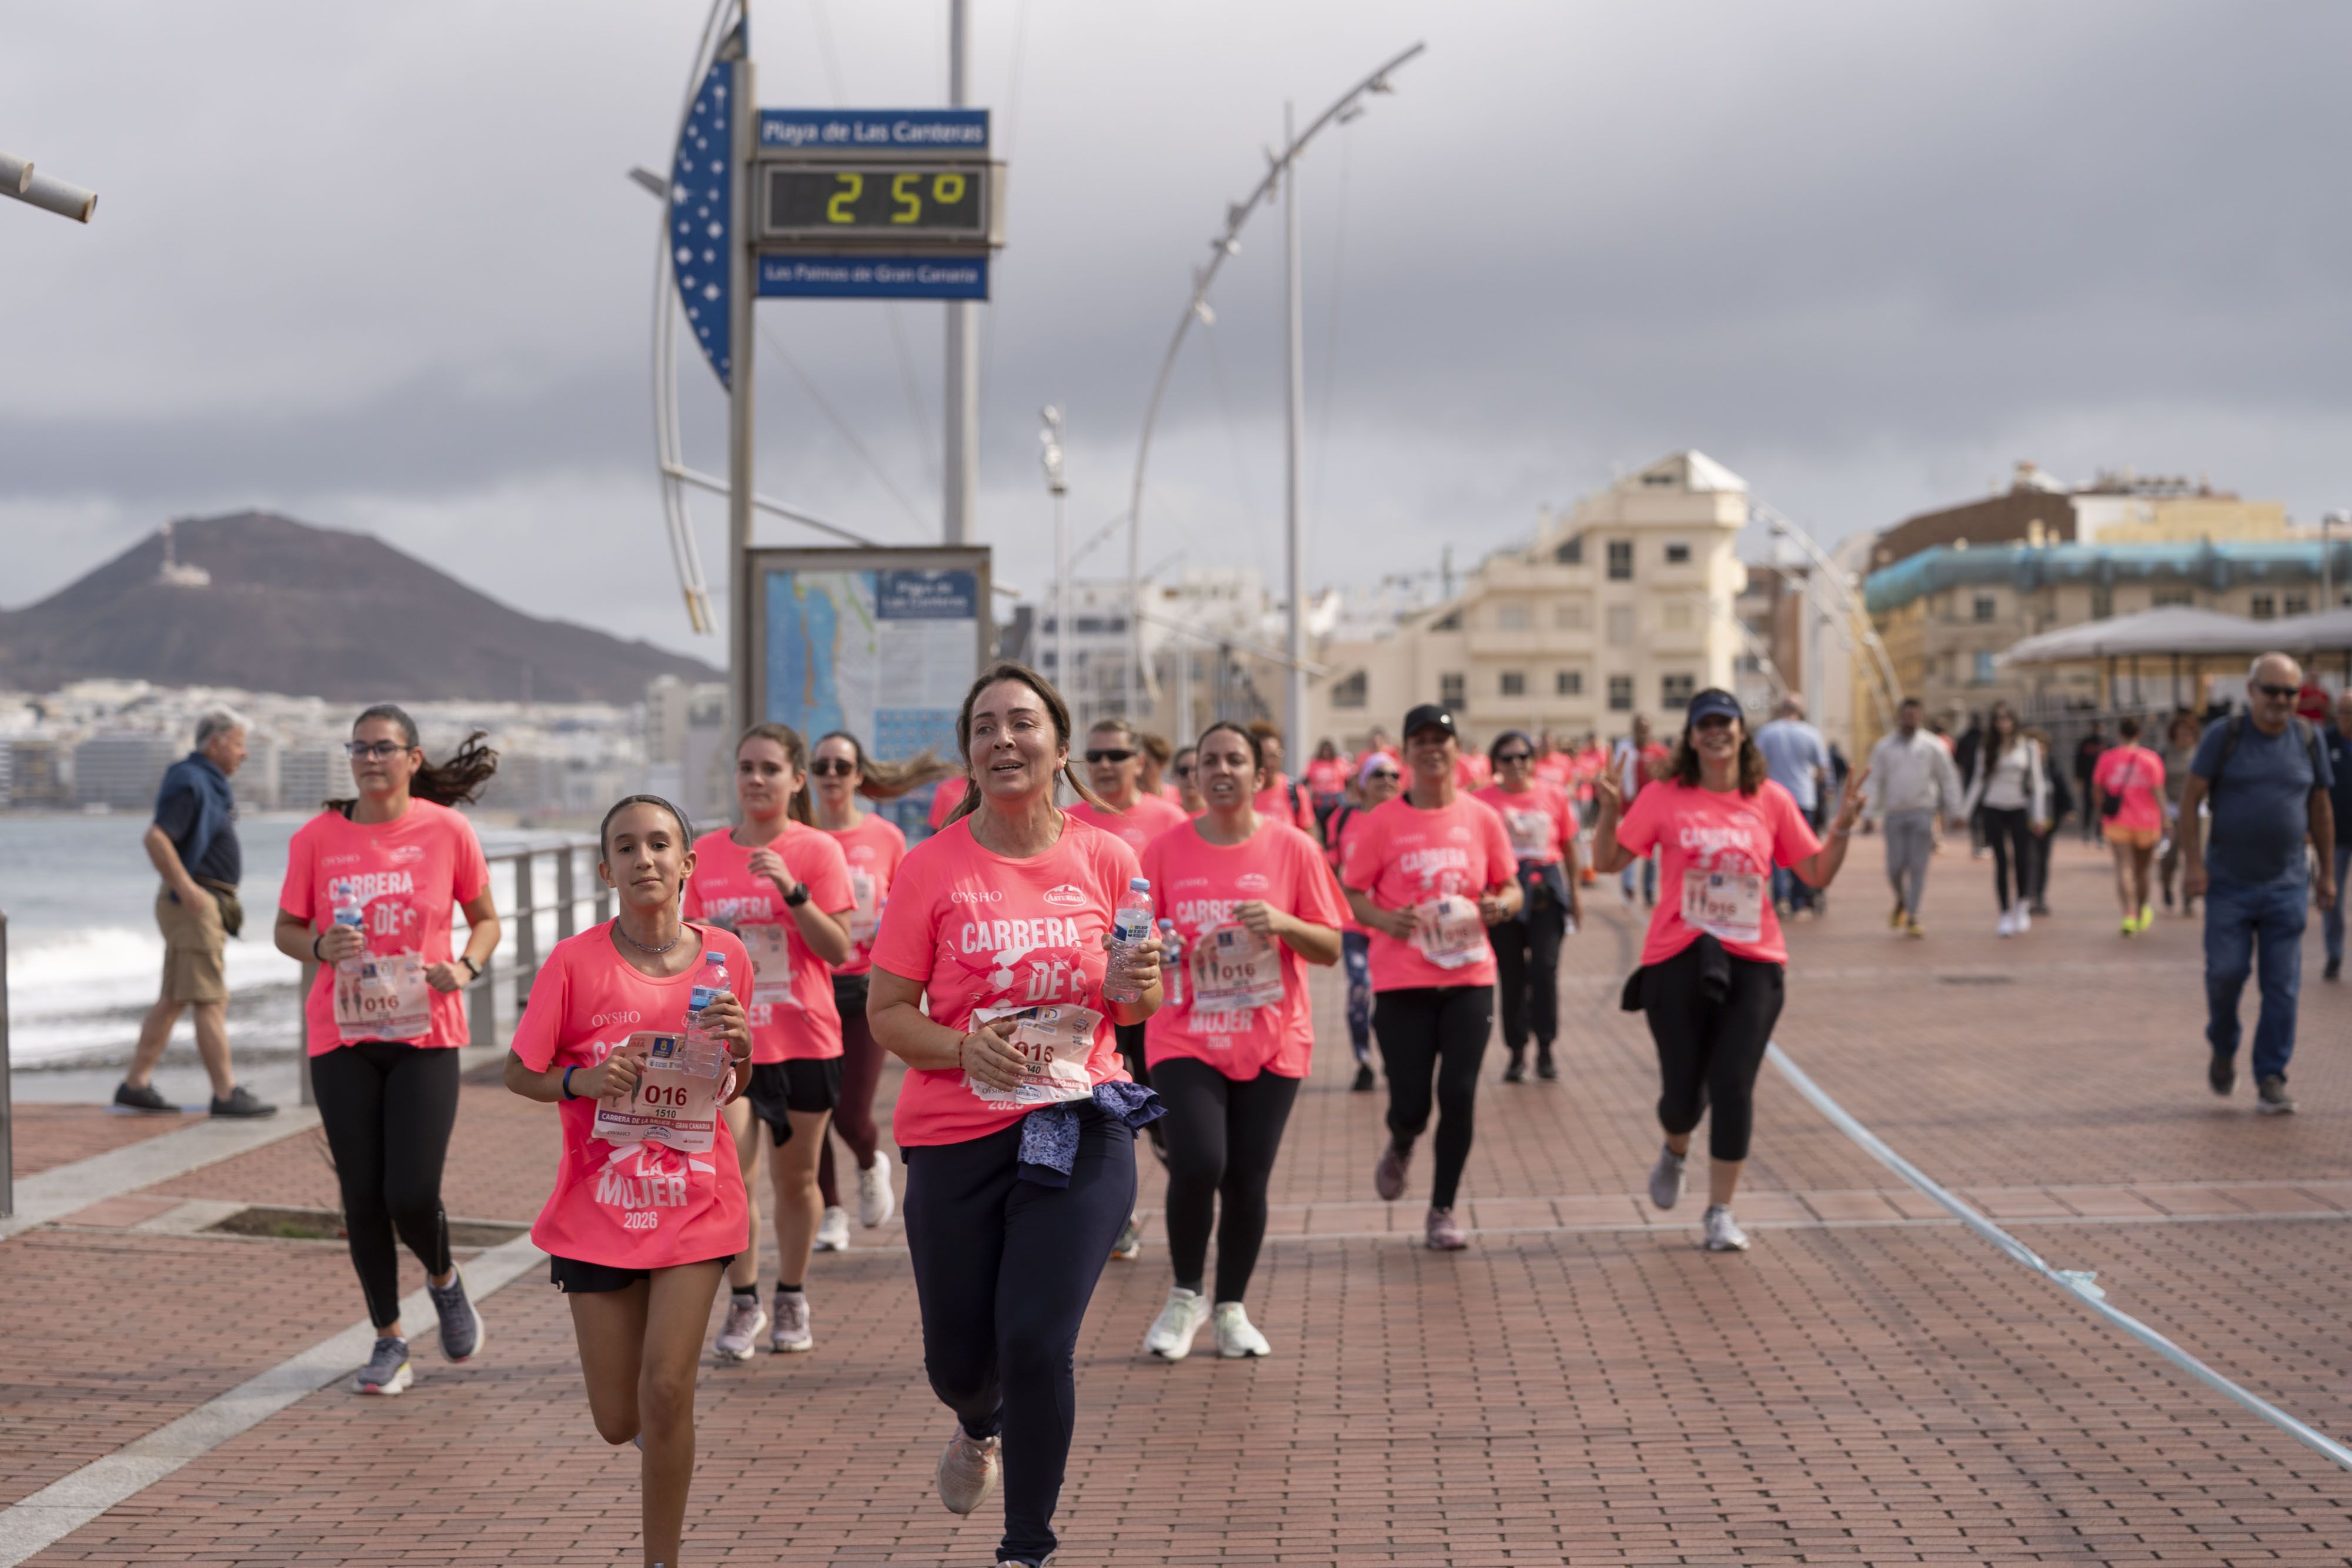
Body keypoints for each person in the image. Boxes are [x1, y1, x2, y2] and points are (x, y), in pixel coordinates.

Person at [866, 662, 1166, 1568]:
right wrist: (964, 1047)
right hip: (957, 1130)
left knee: (1037, 1339)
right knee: (961, 1361)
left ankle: (1025, 1547)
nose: (1004, 738)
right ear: (968, 753)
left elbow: (1132, 1006)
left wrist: (1140, 987)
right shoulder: (931, 866)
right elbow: (888, 1013)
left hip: (1079, 1119)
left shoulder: (1109, 858)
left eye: (1023, 722)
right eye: (985, 726)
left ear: (1060, 746)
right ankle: (976, 1420)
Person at [504, 794, 754, 1568]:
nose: (644, 858)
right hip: (599, 1208)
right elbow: (523, 1070)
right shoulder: (575, 962)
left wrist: (742, 1050)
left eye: (659, 844)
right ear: (607, 868)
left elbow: (734, 1083)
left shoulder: (727, 957)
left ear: (687, 863)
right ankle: (656, 1435)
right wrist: (585, 1079)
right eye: (626, 846)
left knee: (668, 1387)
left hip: (697, 1202)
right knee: (620, 1416)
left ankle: (661, 1559)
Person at [272, 705, 501, 1394]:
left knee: (411, 1191)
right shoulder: (317, 838)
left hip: (425, 1032)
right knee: (361, 1197)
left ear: (411, 757)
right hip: (340, 1036)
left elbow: (486, 920)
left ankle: (444, 1279)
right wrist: (317, 946)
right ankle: (388, 1340)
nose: (370, 760)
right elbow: (285, 929)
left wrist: (463, 970)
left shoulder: (447, 830)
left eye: (384, 748)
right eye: (360, 749)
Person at [1589, 688, 1868, 1252]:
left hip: (1753, 958)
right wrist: (1610, 810)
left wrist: (1840, 829)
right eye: (1705, 725)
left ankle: (1721, 1211)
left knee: (1734, 1082)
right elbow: (1607, 861)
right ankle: (1675, 1147)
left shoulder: (1771, 799)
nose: (1716, 732)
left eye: (1727, 723)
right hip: (1677, 954)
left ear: (1744, 733)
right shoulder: (1665, 796)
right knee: (1681, 1095)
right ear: (1691, 737)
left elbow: (1814, 873)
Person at [1138, 721, 1345, 1360]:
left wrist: (1283, 922)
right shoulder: (1164, 850)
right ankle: (1183, 1297)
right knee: (1199, 1161)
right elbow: (1133, 937)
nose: (1221, 770)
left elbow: (1331, 945)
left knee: (1248, 1178)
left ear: (1260, 777)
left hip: (1274, 1036)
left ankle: (1229, 1308)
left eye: (1234, 760)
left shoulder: (1293, 849)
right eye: (1208, 761)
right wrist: (1157, 947)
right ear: (1192, 775)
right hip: (1184, 1032)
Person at [681, 724, 856, 1358]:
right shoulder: (705, 853)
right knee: (732, 1176)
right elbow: (689, 950)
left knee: (798, 1179)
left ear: (796, 780)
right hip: (731, 1044)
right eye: (746, 768)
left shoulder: (816, 850)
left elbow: (838, 949)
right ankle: (745, 1300)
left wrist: (792, 890)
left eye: (770, 769)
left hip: (805, 1037)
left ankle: (792, 1292)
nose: (756, 779)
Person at [1339, 703, 1520, 1251]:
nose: (1431, 748)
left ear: (1456, 749)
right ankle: (1401, 1138)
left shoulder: (1481, 817)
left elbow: (1510, 886)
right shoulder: (1383, 822)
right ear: (1407, 752)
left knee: (1459, 1093)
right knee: (1413, 1102)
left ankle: (1442, 1209)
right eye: (1419, 740)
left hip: (1469, 976)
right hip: (1403, 979)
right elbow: (1351, 893)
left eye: (1440, 739)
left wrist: (1501, 908)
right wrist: (1383, 919)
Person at [810, 731, 952, 1255]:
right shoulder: (800, 837)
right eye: (821, 765)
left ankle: (870, 1161)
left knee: (850, 1112)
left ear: (858, 776)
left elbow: (909, 908)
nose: (831, 775)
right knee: (814, 1108)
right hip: (813, 986)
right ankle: (830, 1208)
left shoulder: (886, 836)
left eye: (842, 766)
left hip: (868, 983)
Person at [2180, 654, 2337, 1114]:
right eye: (2272, 691)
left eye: (2290, 693)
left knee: (2282, 986)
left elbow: (2322, 809)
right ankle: (2224, 1044)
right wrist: (2193, 863)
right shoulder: (2223, 737)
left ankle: (2271, 1075)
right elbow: (2190, 800)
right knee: (2226, 974)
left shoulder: (2307, 740)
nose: (2281, 701)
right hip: (2229, 884)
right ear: (2251, 691)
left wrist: (2326, 872)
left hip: (2287, 884)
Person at [116, 707, 275, 1118]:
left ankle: (136, 1083)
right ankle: (226, 1093)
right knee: (211, 999)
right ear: (216, 743)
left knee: (173, 998)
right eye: (239, 744)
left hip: (198, 901)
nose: (244, 754)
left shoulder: (204, 782)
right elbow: (156, 838)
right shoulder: (191, 781)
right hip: (193, 903)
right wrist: (189, 890)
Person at [1067, 716, 1192, 1234]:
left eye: (1116, 755)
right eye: (1093, 756)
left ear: (1141, 762)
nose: (1103, 765)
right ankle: (1120, 1214)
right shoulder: (1066, 820)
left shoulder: (1168, 817)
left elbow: (1191, 887)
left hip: (1158, 987)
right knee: (1100, 1100)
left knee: (1159, 1108)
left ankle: (1192, 1191)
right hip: (1092, 993)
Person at [1474, 730, 1582, 1083]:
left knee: (1544, 971)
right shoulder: (1482, 801)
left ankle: (1546, 1047)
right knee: (1512, 975)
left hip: (1545, 891)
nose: (1516, 764)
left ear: (1533, 761)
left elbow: (1568, 846)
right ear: (1496, 765)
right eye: (1507, 758)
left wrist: (1576, 895)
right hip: (1503, 893)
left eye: (1523, 757)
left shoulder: (1553, 795)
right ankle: (1517, 1051)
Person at [1324, 753, 1400, 1093]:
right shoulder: (1342, 820)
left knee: (1393, 999)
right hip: (1355, 925)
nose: (1388, 781)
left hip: (1395, 926)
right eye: (1379, 774)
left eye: (1394, 775)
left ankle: (1397, 1060)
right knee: (1359, 989)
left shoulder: (1406, 819)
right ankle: (1365, 1060)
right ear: (1362, 783)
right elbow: (1331, 869)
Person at [1865, 697, 1963, 938]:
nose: (1910, 719)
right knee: (1894, 868)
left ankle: (1913, 915)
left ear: (1921, 716)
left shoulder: (1932, 746)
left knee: (1918, 867)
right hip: (1895, 815)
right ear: (1900, 716)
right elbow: (1874, 780)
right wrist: (1868, 813)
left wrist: (1956, 810)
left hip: (1922, 813)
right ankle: (1901, 899)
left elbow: (1948, 777)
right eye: (1906, 715)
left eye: (1915, 715)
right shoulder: (1885, 747)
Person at [1959, 701, 2050, 936]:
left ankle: (2022, 905)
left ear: (2014, 720)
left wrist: (2039, 816)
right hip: (1994, 806)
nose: (2004, 722)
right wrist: (1964, 812)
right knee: (2001, 862)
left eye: (2007, 717)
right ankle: (2004, 914)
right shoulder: (1987, 747)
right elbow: (1978, 781)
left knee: (2022, 860)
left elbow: (2038, 783)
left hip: (2019, 807)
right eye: (1999, 718)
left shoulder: (2028, 746)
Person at [1753, 696, 1831, 918]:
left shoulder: (1767, 732)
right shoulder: (1811, 733)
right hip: (1803, 798)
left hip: (1772, 799)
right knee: (1800, 850)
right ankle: (1799, 900)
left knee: (1777, 852)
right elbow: (1823, 769)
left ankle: (1781, 899)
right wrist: (1812, 785)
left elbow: (1757, 764)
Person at [2093, 715, 2167, 937]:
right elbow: (2158, 791)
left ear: (2120, 733)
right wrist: (2167, 819)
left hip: (2118, 821)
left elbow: (2097, 789)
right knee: (2142, 870)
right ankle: (2142, 909)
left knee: (2124, 867)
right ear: (2140, 734)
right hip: (2147, 821)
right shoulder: (2151, 759)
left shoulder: (2107, 758)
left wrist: (2100, 813)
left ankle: (2130, 914)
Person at [1611, 716, 1671, 907]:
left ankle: (1649, 890)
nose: (1642, 732)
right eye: (1639, 728)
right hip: (1630, 810)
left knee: (1651, 855)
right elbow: (1616, 777)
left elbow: (1669, 778)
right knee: (1628, 848)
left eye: (1645, 728)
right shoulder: (1625, 752)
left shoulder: (1659, 752)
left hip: (1654, 811)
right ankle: (1628, 887)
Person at [2157, 710, 2206, 917]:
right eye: (2181, 733)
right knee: (2170, 856)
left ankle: (2188, 897)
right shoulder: (2165, 754)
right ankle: (2166, 885)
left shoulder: (2200, 753)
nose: (2185, 738)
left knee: (2194, 854)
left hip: (2198, 810)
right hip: (2172, 809)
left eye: (2189, 734)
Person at [2022, 725, 2072, 917]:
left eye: (2042, 748)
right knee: (2029, 859)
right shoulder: (2022, 770)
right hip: (2026, 822)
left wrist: (2068, 808)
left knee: (2043, 859)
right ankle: (2026, 894)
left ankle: (2040, 896)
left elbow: (2062, 789)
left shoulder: (2052, 768)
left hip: (2048, 822)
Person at [1247, 719, 1319, 841]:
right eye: (1263, 756)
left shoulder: (1294, 791)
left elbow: (1309, 840)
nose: (1269, 763)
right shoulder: (1242, 793)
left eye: (1274, 756)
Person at [2326, 688, 2352, 982]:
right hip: (2335, 836)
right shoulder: (2325, 742)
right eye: (2344, 711)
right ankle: (2334, 955)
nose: (2349, 718)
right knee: (2332, 898)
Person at [1305, 737, 1351, 831]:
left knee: (1337, 824)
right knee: (1323, 826)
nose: (1326, 752)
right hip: (1320, 801)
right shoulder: (1315, 763)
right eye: (1324, 750)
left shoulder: (1338, 762)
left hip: (1336, 800)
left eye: (1328, 750)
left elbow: (1347, 780)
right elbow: (1307, 780)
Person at [2073, 724, 2107, 842]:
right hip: (2089, 781)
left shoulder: (2107, 743)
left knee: (2102, 808)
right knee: (2088, 806)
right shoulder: (2086, 743)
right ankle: (2086, 830)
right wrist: (2079, 778)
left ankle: (2100, 832)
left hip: (2104, 783)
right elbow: (2078, 761)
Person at [1137, 730, 1178, 805]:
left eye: (1145, 765)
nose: (1139, 772)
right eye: (1136, 764)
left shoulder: (1179, 799)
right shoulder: (1122, 803)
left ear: (1162, 764)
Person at [1170, 745, 1207, 815]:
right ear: (1174, 775)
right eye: (1183, 771)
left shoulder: (1216, 815)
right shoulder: (1169, 814)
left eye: (1196, 770)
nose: (1190, 776)